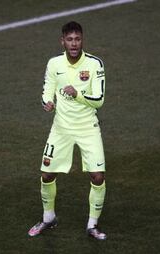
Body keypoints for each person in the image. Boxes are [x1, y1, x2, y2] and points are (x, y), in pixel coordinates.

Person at [27, 21, 107, 240]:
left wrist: (77, 94)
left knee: (98, 176)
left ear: (82, 40)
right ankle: (48, 218)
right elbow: (47, 89)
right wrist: (47, 103)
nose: (74, 43)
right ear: (62, 41)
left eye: (78, 39)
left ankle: (92, 224)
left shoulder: (94, 64)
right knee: (46, 174)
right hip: (61, 129)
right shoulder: (54, 64)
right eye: (70, 39)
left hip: (87, 128)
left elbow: (99, 100)